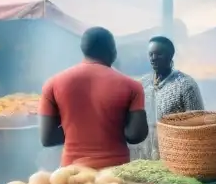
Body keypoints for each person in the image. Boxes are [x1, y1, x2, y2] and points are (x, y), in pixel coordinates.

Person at [38, 27, 148, 169]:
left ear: (83, 50)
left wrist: (74, 128)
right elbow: (136, 135)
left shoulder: (52, 84)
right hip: (114, 173)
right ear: (112, 51)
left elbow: (47, 138)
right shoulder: (132, 86)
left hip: (71, 174)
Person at [131, 36, 205, 160]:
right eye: (151, 54)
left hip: (176, 155)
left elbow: (198, 123)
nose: (153, 59)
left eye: (159, 54)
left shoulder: (186, 84)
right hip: (144, 156)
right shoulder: (142, 85)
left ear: (170, 56)